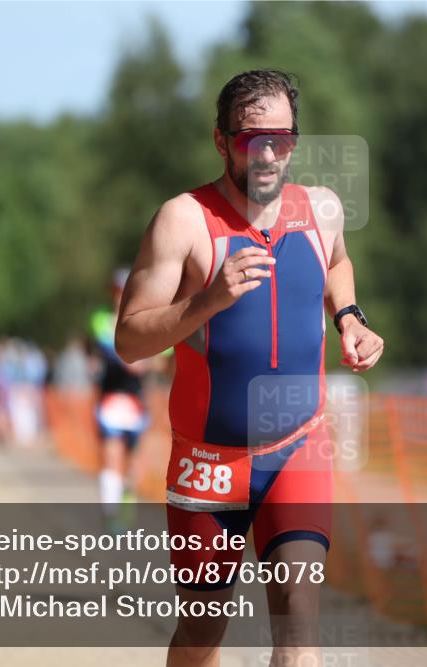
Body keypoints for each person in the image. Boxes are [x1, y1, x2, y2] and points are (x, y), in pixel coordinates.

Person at [115, 69, 385, 667]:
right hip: (209, 460)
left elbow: (337, 262)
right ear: (221, 141)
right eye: (250, 140)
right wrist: (207, 301)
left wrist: (350, 316)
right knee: (202, 636)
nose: (267, 154)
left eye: (281, 140)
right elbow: (130, 340)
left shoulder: (323, 210)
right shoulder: (183, 220)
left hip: (298, 447)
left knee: (299, 643)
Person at [91, 268, 156, 532]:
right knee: (111, 455)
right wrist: (145, 359)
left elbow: (162, 354)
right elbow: (125, 357)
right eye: (117, 292)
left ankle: (126, 506)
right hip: (111, 400)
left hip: (136, 401)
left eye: (125, 291)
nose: (120, 297)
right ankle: (110, 514)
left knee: (132, 462)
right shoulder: (101, 320)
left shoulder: (147, 321)